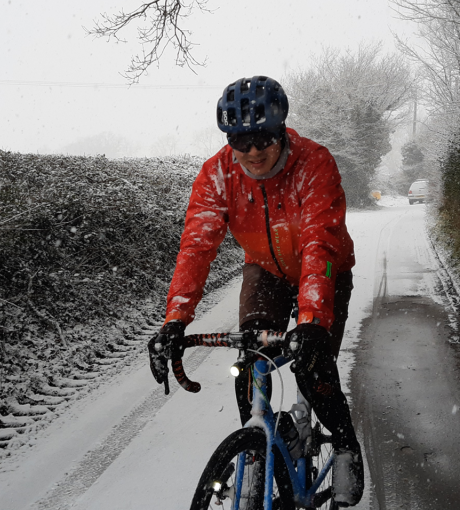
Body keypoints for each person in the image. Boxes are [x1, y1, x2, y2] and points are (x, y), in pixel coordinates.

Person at [147, 76, 364, 506]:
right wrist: (175, 320)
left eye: (262, 136)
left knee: (311, 366)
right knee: (251, 362)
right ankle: (259, 447)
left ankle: (344, 444)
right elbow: (196, 245)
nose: (252, 150)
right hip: (265, 270)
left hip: (324, 270)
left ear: (281, 127)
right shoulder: (217, 174)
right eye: (240, 140)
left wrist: (312, 322)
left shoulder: (313, 163)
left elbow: (320, 240)